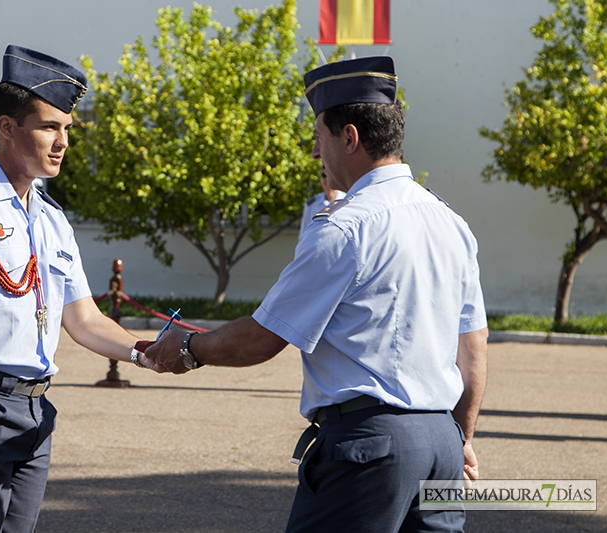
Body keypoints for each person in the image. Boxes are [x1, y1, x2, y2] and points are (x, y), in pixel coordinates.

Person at [145, 56, 488, 532]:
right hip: (442, 445)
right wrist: (461, 437)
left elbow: (262, 338)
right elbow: (472, 349)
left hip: (371, 447)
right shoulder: (451, 224)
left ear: (348, 138)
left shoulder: (345, 227)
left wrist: (186, 348)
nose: (314, 154)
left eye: (318, 138)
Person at [0, 44, 156, 532]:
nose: (62, 142)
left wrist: (151, 352)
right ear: (7, 127)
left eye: (67, 130)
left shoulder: (52, 218)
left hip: (34, 410)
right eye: (48, 127)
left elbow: (84, 320)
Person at [298, 165, 346, 239]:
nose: (327, 179)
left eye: (330, 175)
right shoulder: (312, 203)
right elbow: (304, 234)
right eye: (323, 175)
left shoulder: (346, 200)